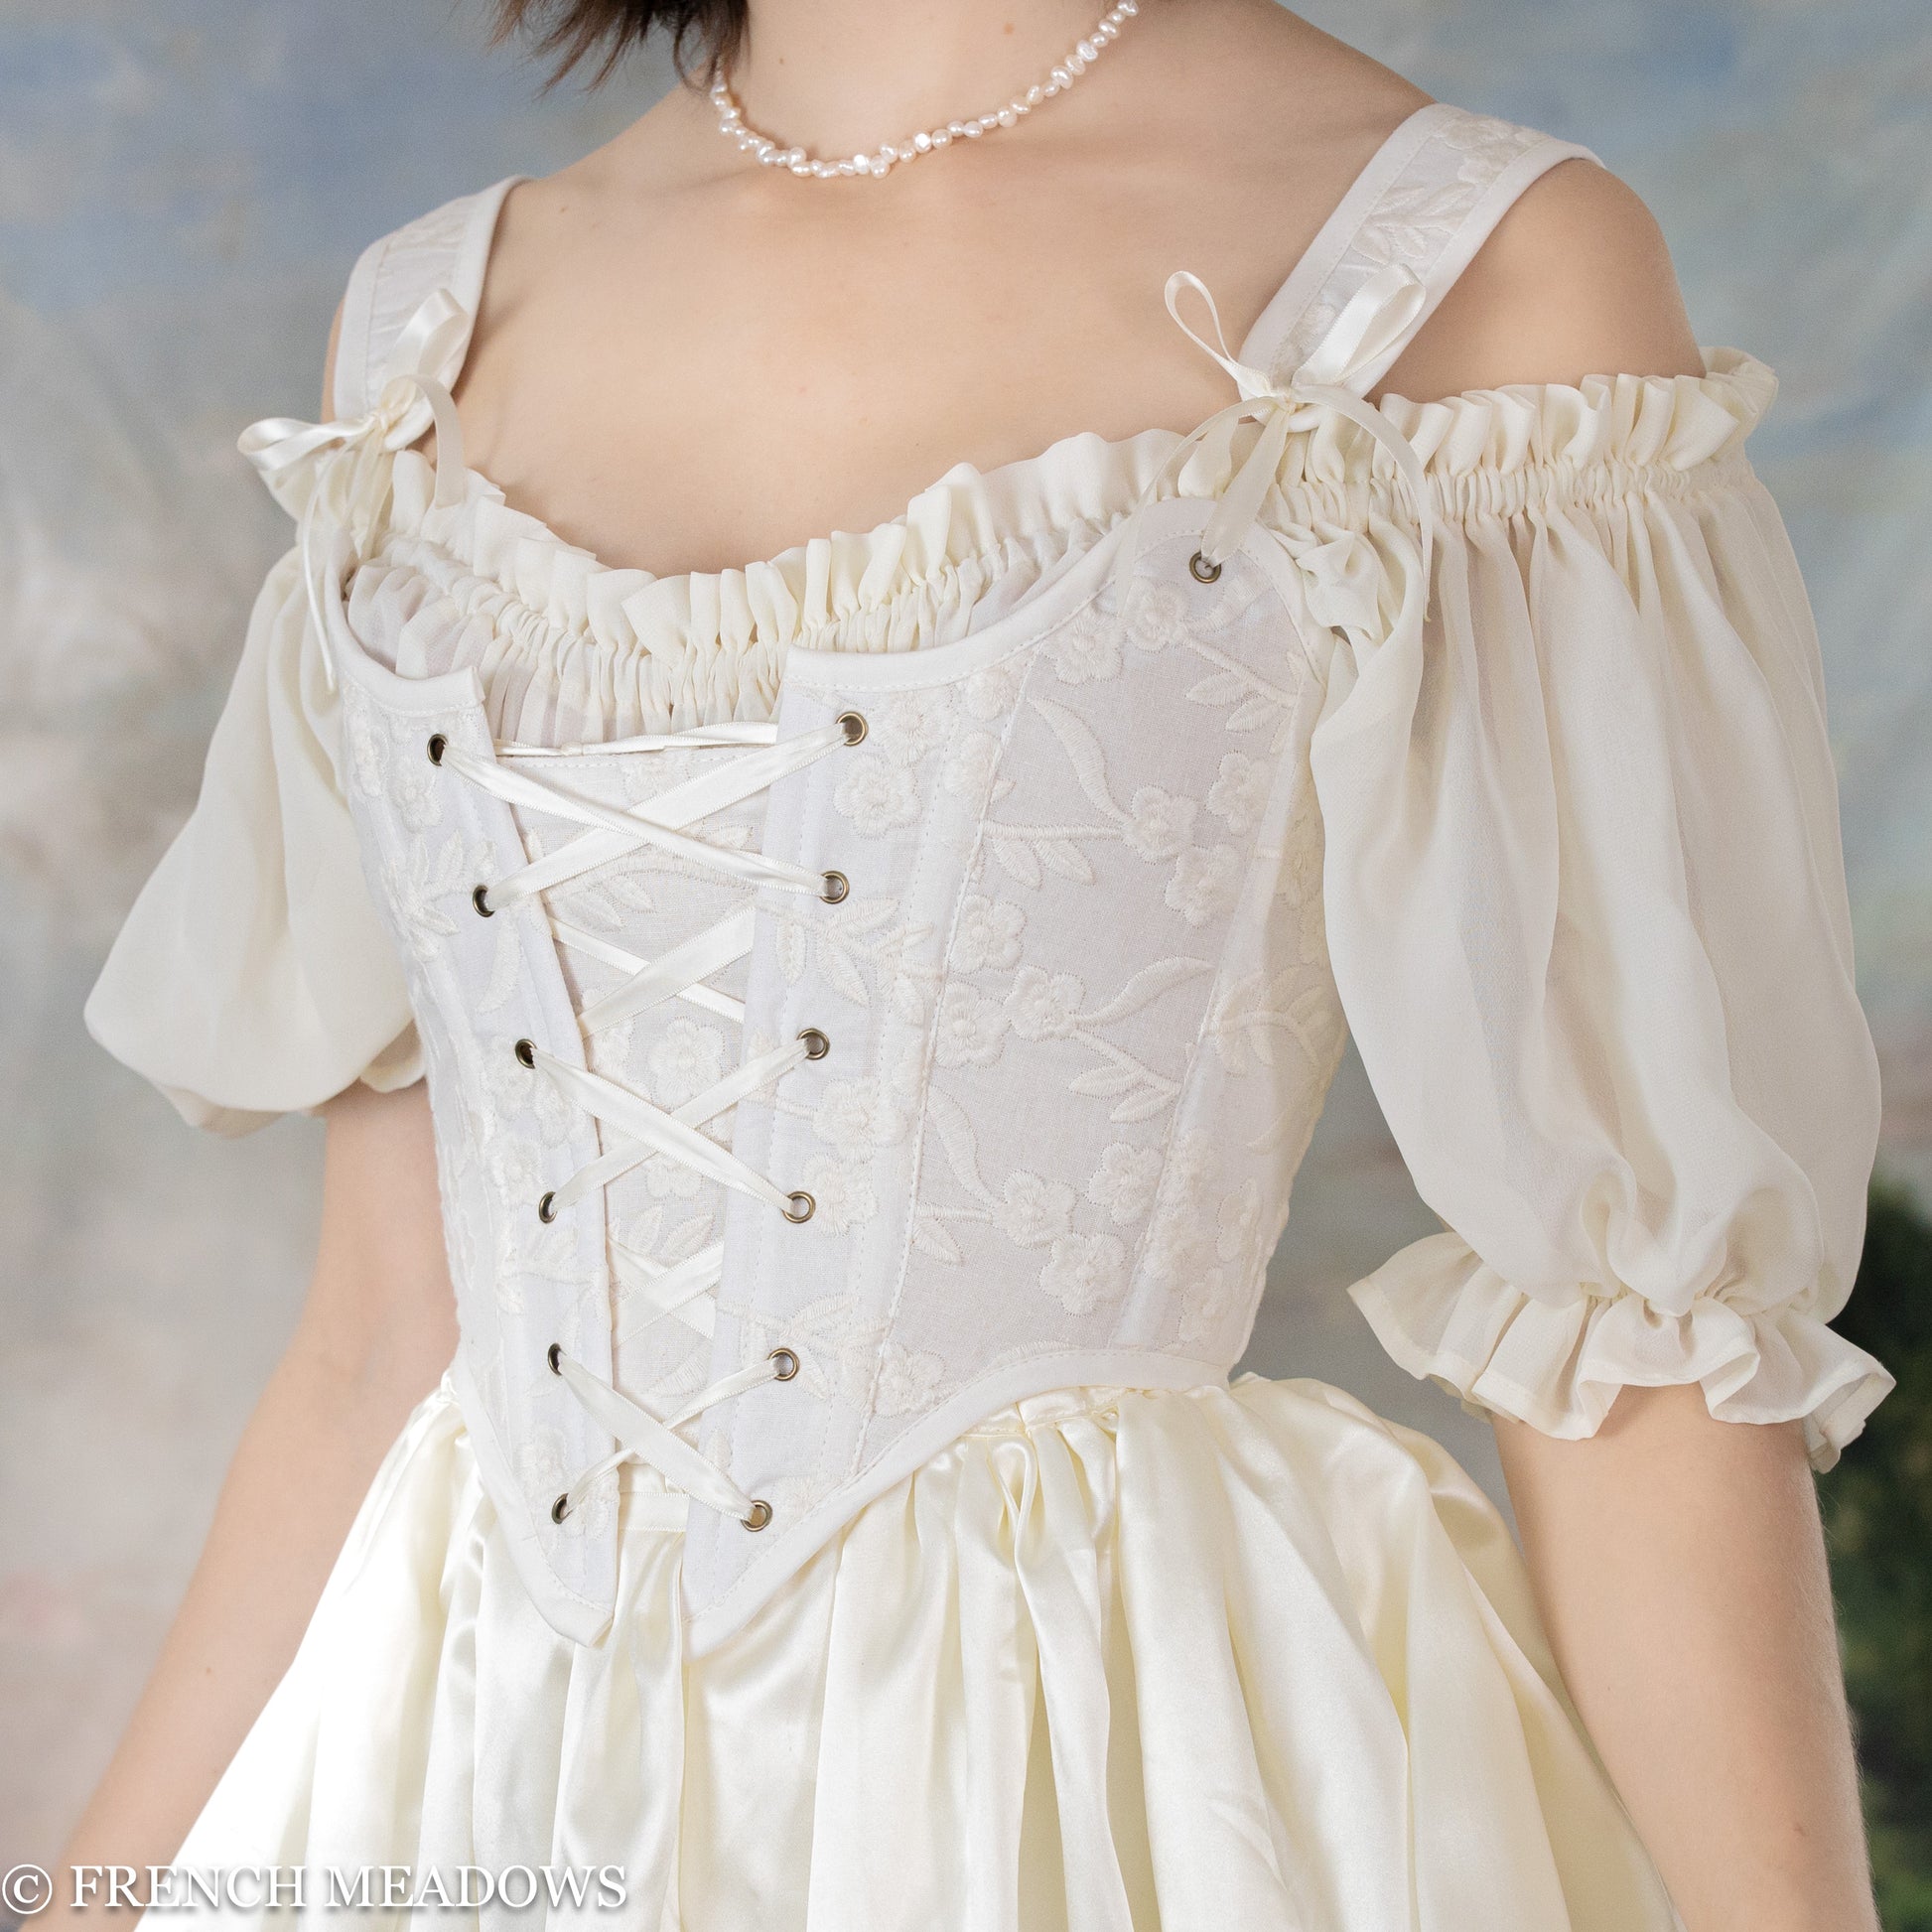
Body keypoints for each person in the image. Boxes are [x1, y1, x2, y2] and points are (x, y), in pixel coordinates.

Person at [59, 0, 1891, 1926]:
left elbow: (1635, 1332)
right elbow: (379, 1335)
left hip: (1087, 1779)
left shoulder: (1457, 270)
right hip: (458, 1785)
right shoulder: (421, 341)